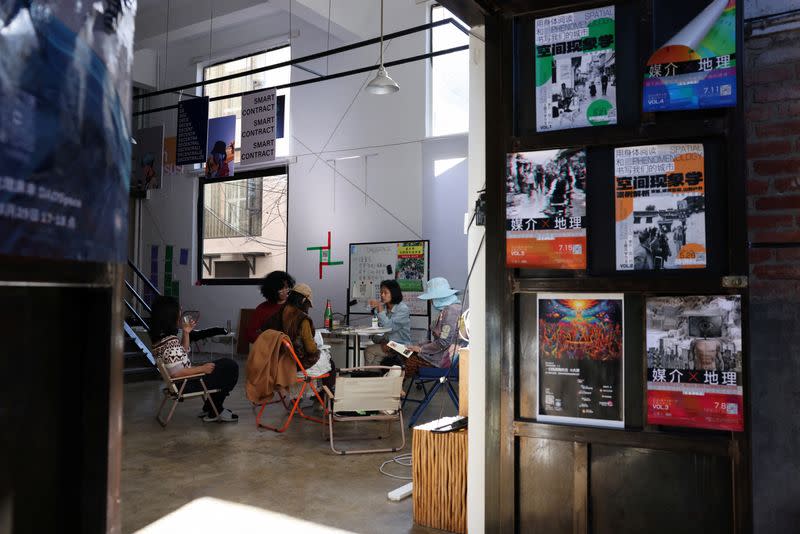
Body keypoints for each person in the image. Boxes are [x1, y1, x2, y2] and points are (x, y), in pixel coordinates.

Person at [149, 295, 239, 422]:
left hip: (182, 382)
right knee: (230, 368)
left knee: (225, 364)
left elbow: (182, 353)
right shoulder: (170, 342)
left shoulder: (162, 340)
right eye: (178, 312)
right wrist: (202, 368)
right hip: (187, 383)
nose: (180, 314)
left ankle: (210, 407)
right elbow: (177, 373)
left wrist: (186, 333)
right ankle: (215, 410)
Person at [388, 277, 462, 377]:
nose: (431, 302)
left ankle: (396, 389)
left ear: (438, 297)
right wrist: (420, 346)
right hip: (444, 355)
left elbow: (444, 342)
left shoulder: (451, 312)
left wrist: (421, 349)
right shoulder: (450, 309)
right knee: (405, 356)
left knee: (406, 361)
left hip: (445, 359)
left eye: (431, 299)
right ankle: (397, 389)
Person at [264, 283, 321, 370]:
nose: (308, 307)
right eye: (308, 304)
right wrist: (317, 347)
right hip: (297, 362)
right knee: (328, 359)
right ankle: (330, 384)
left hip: (277, 360)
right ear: (303, 300)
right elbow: (311, 349)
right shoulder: (303, 319)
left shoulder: (279, 313)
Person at [364, 280, 412, 366]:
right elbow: (376, 332)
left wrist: (380, 309)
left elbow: (389, 328)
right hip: (386, 345)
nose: (382, 295)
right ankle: (373, 377)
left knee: (369, 350)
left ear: (394, 293)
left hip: (401, 347)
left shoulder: (403, 309)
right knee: (376, 360)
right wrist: (382, 342)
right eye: (381, 292)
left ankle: (370, 376)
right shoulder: (382, 309)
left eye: (385, 293)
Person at [245, 270, 295, 344]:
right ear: (273, 290)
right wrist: (271, 340)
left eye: (287, 287)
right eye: (281, 288)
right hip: (269, 350)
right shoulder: (262, 309)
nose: (285, 291)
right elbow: (250, 334)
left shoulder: (294, 306)